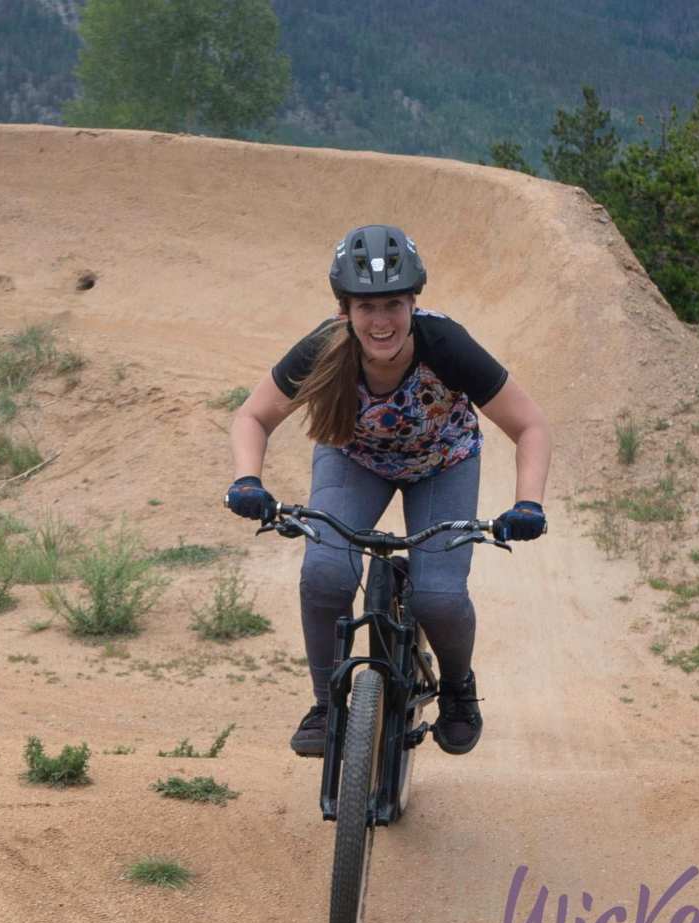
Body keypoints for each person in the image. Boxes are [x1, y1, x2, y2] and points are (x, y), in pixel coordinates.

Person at [222, 224, 551, 757]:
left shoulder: (445, 344)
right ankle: (327, 704)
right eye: (366, 307)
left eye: (394, 304)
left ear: (413, 302)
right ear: (344, 311)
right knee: (325, 572)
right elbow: (252, 417)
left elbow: (530, 425)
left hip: (442, 463)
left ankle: (457, 689)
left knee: (438, 595)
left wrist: (528, 503)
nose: (381, 322)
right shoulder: (324, 347)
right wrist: (247, 480)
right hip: (354, 459)